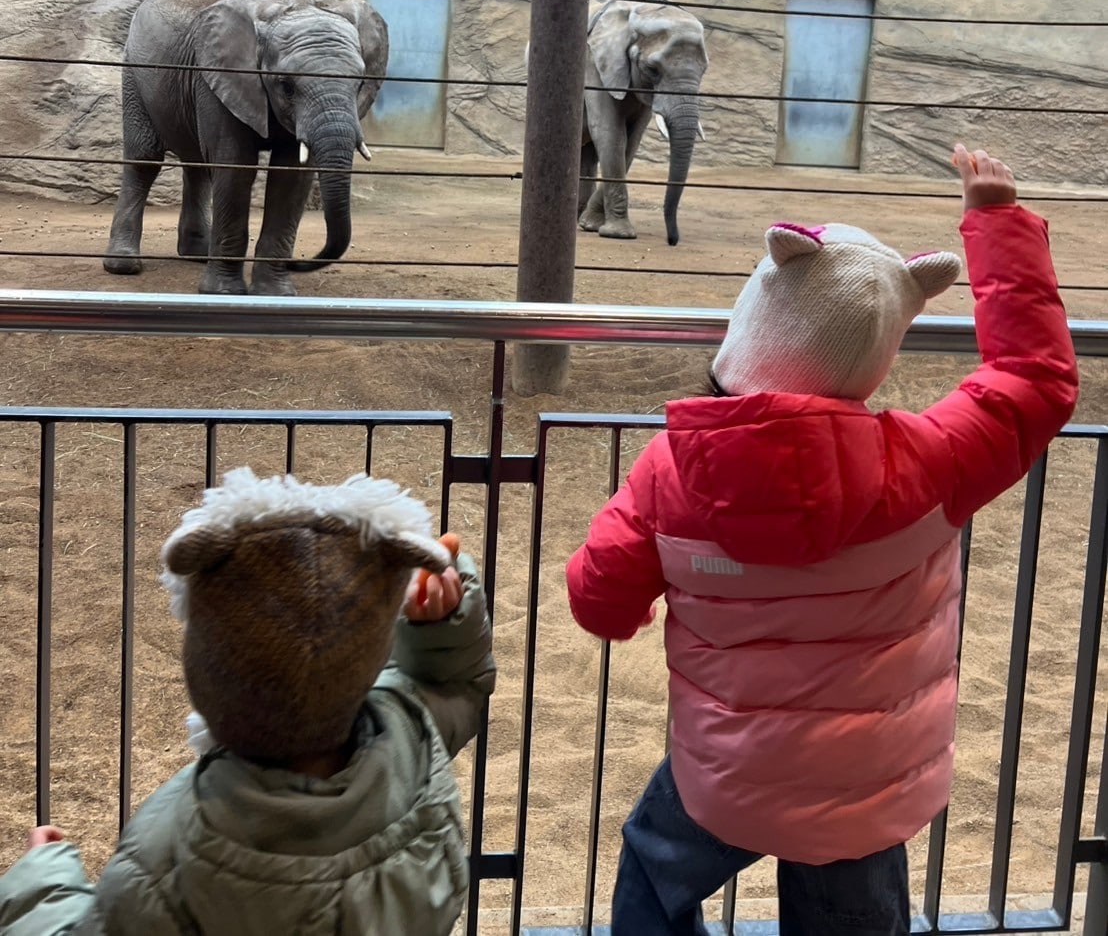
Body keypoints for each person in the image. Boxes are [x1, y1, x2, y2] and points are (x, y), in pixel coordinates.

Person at [565, 144, 1079, 936]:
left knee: (652, 868)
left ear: (755, 317)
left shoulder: (670, 471)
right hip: (865, 787)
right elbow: (1036, 380)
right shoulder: (933, 462)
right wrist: (996, 220)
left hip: (726, 773)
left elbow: (599, 602)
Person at [0, 467, 495, 935]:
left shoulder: (165, 861)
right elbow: (455, 687)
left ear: (211, 672)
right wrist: (441, 630)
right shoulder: (412, 745)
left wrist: (41, 889)